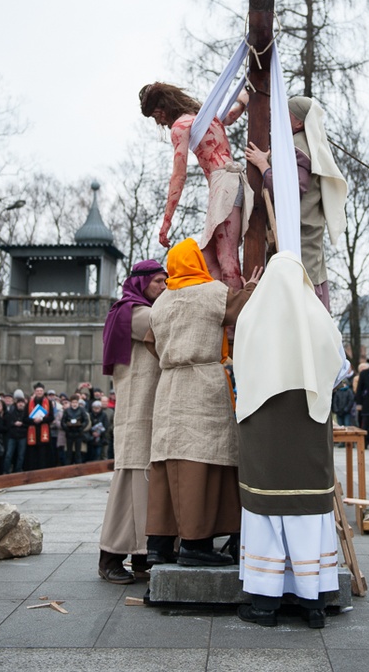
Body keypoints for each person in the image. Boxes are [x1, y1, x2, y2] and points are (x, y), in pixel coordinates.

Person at [233, 250, 348, 629]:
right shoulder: (319, 318)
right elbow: (340, 370)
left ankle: (265, 604)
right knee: (308, 512)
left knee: (265, 510)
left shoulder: (251, 317)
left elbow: (238, 371)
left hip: (263, 427)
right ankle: (313, 603)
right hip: (308, 425)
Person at [145, 238, 262, 567]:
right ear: (195, 262)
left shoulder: (161, 303)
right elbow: (244, 308)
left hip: (168, 383)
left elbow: (152, 345)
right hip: (201, 383)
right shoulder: (211, 293)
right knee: (201, 461)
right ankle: (196, 545)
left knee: (169, 461)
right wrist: (251, 285)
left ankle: (159, 544)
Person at [139, 83, 253, 288]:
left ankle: (236, 317)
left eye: (156, 116)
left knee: (227, 260)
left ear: (163, 107)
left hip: (224, 185)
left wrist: (166, 221)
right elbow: (229, 116)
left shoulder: (180, 126)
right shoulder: (203, 117)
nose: (159, 122)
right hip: (226, 184)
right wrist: (243, 100)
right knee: (208, 262)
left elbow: (178, 175)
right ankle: (223, 311)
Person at [98, 258, 168, 584]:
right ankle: (110, 556)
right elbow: (170, 323)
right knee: (130, 485)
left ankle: (142, 557)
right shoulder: (134, 312)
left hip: (147, 410)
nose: (164, 287)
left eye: (166, 281)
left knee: (145, 486)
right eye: (158, 282)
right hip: (136, 413)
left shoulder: (133, 310)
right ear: (141, 283)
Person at [245, 96, 347, 311]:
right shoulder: (305, 142)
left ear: (299, 123)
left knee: (301, 295)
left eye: (287, 114)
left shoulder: (298, 145)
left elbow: (292, 188)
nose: (280, 117)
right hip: (304, 232)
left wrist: (263, 166)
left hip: (299, 235)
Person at [24, 382, 54, 469]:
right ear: (35, 392)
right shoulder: (29, 403)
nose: (39, 392)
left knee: (43, 454)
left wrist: (42, 419)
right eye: (37, 391)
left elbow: (51, 417)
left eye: (41, 391)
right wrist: (33, 420)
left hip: (44, 432)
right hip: (32, 431)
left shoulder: (48, 402)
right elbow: (24, 418)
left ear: (43, 391)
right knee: (32, 454)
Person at [61, 394, 90, 464]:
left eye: (76, 402)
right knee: (69, 452)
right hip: (70, 433)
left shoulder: (82, 410)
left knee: (78, 452)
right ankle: (68, 466)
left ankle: (78, 467)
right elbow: (63, 421)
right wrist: (67, 428)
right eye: (73, 402)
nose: (74, 404)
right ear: (71, 403)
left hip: (78, 433)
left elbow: (86, 420)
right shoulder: (67, 410)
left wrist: (81, 427)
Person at [3, 393, 28, 473]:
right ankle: (6, 471)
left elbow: (28, 423)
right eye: (19, 403)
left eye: (22, 403)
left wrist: (22, 424)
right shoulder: (11, 412)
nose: (21, 404)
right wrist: (14, 423)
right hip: (12, 436)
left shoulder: (26, 413)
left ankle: (18, 470)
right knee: (8, 455)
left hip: (22, 435)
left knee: (21, 455)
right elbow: (7, 423)